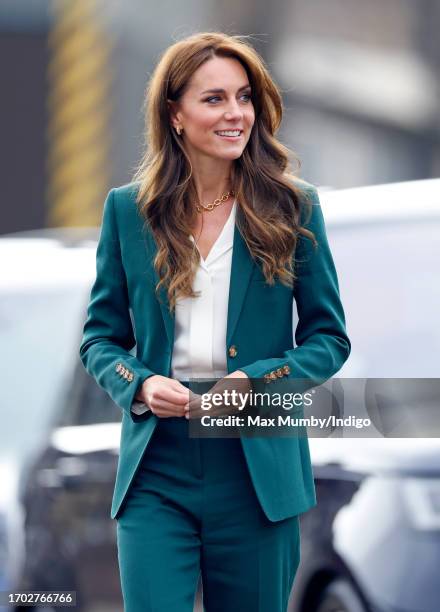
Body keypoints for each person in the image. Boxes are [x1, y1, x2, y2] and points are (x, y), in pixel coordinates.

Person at [79, 31, 350, 612]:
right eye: (214, 99)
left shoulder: (293, 207)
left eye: (244, 97)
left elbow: (329, 339)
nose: (236, 114)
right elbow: (100, 338)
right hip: (158, 467)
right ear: (174, 114)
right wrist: (142, 384)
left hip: (256, 474)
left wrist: (258, 380)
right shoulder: (128, 210)